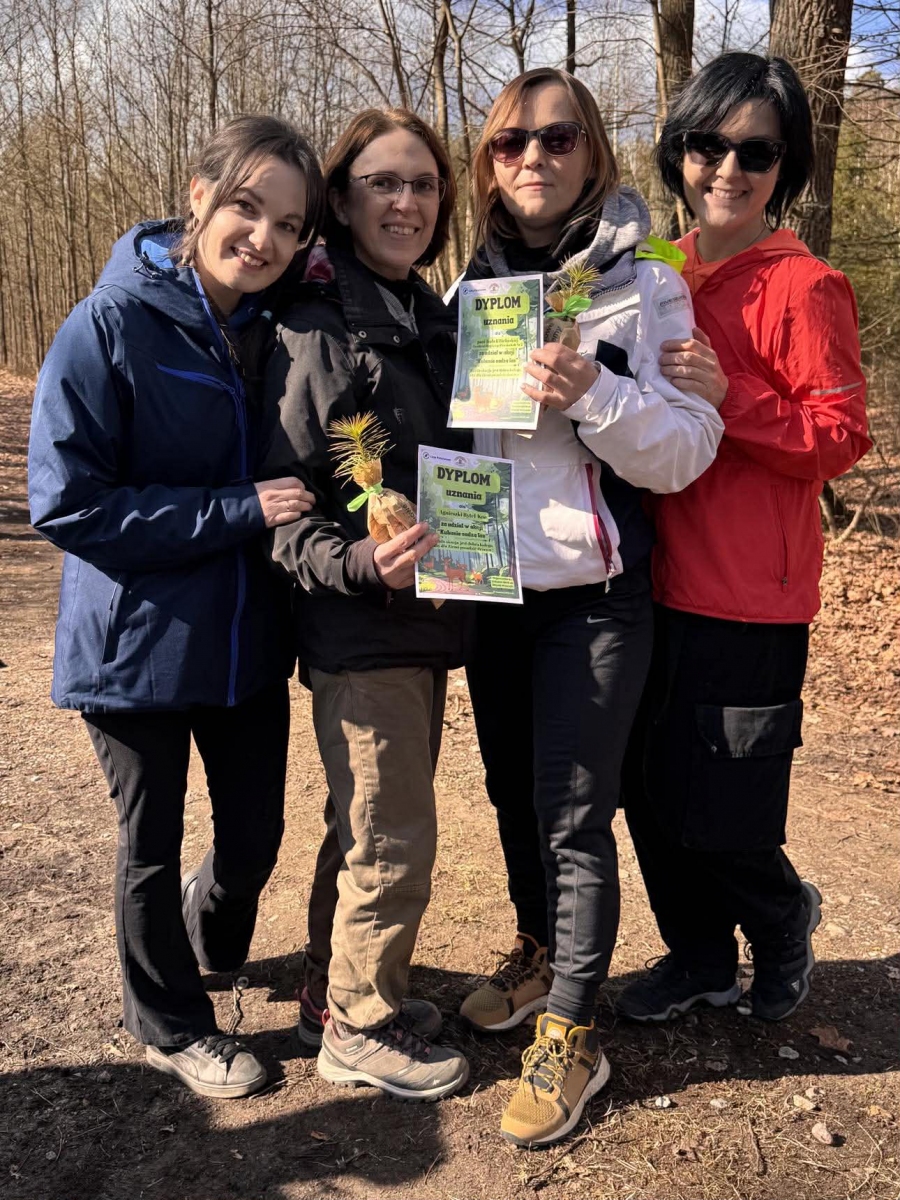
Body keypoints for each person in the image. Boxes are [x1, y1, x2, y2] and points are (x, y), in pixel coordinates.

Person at [28, 116, 324, 1099]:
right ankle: (170, 1025)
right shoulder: (107, 324)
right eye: (247, 206)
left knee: (253, 840)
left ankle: (206, 944)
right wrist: (234, 509)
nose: (264, 238)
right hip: (135, 646)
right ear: (198, 196)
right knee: (150, 848)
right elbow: (67, 502)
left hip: (246, 642)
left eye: (289, 224)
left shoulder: (276, 327)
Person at [454, 67, 724, 1147]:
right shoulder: (467, 285)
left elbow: (688, 450)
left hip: (597, 601)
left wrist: (599, 394)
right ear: (488, 163)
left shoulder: (647, 283)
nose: (535, 156)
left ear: (594, 154)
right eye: (511, 141)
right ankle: (538, 955)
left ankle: (572, 1029)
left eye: (559, 138)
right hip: (495, 594)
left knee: (573, 814)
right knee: (510, 797)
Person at [618, 53, 871, 1026]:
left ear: (785, 166)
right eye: (707, 144)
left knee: (723, 809)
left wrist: (737, 399)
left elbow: (841, 437)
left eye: (756, 153)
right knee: (646, 791)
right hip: (646, 578)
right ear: (679, 151)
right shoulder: (655, 270)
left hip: (750, 599)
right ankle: (698, 959)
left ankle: (780, 919)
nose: (728, 169)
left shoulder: (807, 286)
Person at [259, 108, 471, 1102]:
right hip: (364, 624)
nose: (407, 202)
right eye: (384, 182)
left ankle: (328, 988)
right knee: (392, 839)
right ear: (340, 201)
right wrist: (358, 566)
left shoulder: (422, 311)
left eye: (423, 184)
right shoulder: (320, 324)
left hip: (424, 618)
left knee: (364, 824)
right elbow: (290, 506)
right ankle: (360, 1025)